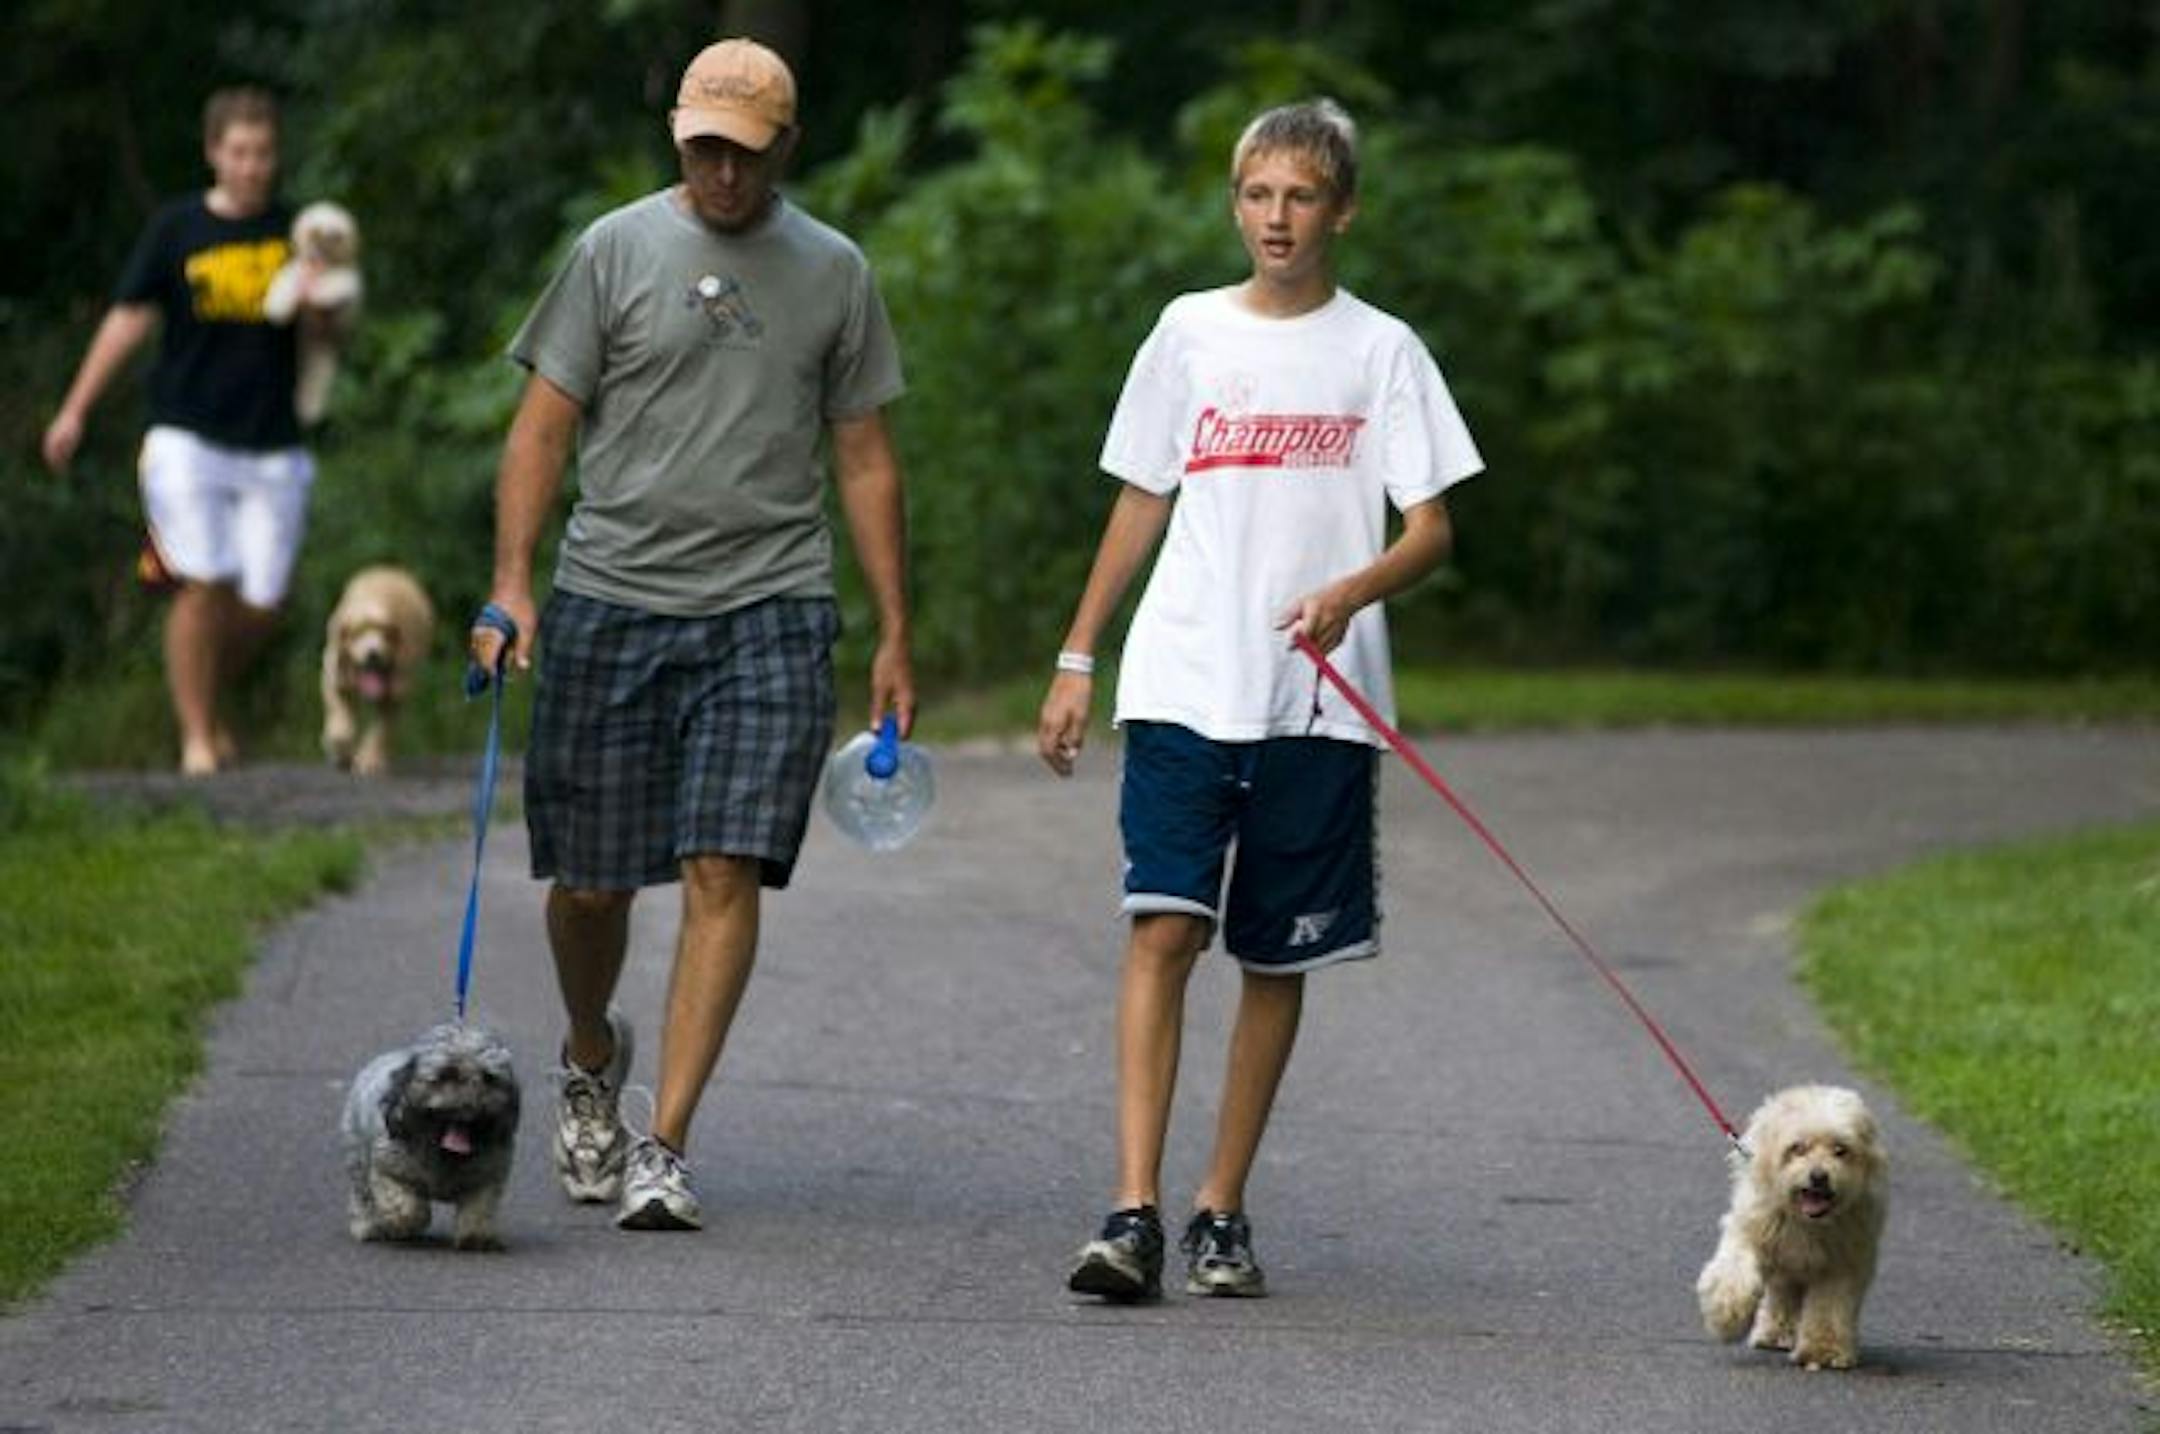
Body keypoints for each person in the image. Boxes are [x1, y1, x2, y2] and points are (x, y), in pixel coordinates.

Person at [1037, 99, 1485, 1300]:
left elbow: (1431, 528)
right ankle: (1131, 1212)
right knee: (1164, 928)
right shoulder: (1186, 332)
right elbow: (1141, 493)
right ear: (1235, 205)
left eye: (1299, 197)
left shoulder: (1381, 349)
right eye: (1257, 195)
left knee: (1271, 958)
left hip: (1320, 702)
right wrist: (1080, 654)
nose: (1276, 218)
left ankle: (1219, 1209)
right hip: (1188, 675)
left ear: (1341, 210)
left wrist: (1355, 588)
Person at [470, 38, 915, 1233]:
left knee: (724, 865)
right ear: (680, 139)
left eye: (744, 150)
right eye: (703, 147)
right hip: (614, 595)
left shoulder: (834, 271)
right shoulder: (614, 250)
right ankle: (585, 1050)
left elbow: (865, 455)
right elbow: (539, 432)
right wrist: (513, 584)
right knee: (592, 886)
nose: (722, 171)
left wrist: (893, 632)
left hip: (770, 604)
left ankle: (666, 1141)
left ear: (785, 148)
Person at [42, 87, 317, 776]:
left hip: (274, 440)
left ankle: (209, 700)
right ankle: (198, 738)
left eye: (264, 153)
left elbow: (333, 335)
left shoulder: (300, 234)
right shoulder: (176, 230)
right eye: (240, 152)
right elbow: (128, 319)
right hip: (186, 435)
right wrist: (75, 408)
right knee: (201, 580)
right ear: (214, 153)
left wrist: (322, 306)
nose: (253, 166)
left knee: (261, 601)